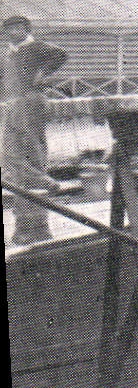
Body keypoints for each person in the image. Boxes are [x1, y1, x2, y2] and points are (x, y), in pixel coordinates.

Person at [3, 15, 68, 245]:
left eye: (18, 28)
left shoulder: (35, 46)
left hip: (31, 102)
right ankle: (44, 183)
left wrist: (43, 74)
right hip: (12, 105)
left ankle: (38, 226)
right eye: (9, 29)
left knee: (33, 154)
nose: (13, 32)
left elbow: (61, 55)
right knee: (9, 156)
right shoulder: (9, 53)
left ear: (26, 29)